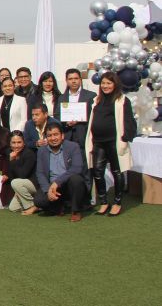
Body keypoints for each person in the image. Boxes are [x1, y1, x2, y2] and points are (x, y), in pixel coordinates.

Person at [85, 71, 137, 216]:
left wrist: (126, 137)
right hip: (98, 142)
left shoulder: (122, 100)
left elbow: (129, 120)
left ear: (115, 84)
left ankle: (117, 202)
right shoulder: (96, 100)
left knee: (117, 172)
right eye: (103, 83)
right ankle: (103, 202)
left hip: (114, 141)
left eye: (109, 83)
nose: (105, 86)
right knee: (98, 172)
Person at [34, 124, 88, 222]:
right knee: (39, 201)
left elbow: (77, 168)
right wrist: (47, 190)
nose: (53, 138)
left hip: (68, 183)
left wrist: (57, 182)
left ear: (62, 135)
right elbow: (40, 173)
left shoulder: (73, 147)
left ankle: (75, 211)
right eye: (49, 135)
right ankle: (58, 207)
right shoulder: (42, 151)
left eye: (56, 134)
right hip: (53, 187)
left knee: (76, 180)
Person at [58, 68, 97, 153]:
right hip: (67, 136)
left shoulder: (91, 96)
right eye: (70, 79)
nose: (73, 81)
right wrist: (66, 123)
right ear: (66, 81)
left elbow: (94, 117)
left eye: (76, 78)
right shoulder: (61, 98)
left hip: (84, 135)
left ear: (80, 79)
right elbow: (58, 116)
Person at [6, 132, 38, 214]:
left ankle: (32, 206)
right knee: (13, 208)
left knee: (15, 182)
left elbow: (22, 175)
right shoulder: (10, 153)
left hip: (33, 184)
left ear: (24, 143)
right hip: (19, 185)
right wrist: (17, 191)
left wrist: (12, 161)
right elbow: (11, 175)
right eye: (13, 142)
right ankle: (37, 203)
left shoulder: (29, 154)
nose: (16, 145)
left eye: (19, 142)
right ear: (10, 143)